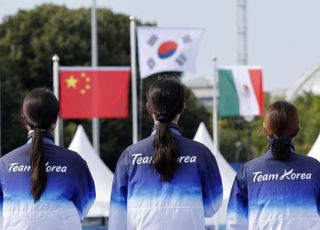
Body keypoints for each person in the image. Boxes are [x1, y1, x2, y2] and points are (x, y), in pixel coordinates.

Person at [108, 78, 223, 230]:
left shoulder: (130, 156)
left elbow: (117, 217)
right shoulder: (201, 154)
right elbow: (212, 207)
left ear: (149, 108)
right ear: (182, 107)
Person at [0, 88, 95, 230]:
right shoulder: (75, 162)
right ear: (55, 120)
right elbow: (85, 203)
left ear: (23, 118)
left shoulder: (4, 164)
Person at [227, 101, 320, 230]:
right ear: (297, 129)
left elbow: (235, 223)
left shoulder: (248, 171)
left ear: (265, 129)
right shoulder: (314, 168)